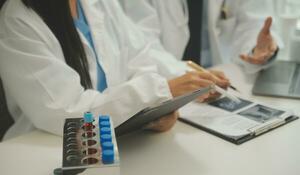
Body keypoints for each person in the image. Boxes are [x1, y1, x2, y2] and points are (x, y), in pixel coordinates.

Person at [0, 0, 229, 140]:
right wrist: (157, 92)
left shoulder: (98, 3)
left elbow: (140, 58)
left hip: (121, 143)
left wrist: (152, 114)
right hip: (48, 152)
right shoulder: (18, 20)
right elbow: (67, 113)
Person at [119, 0, 281, 73]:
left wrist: (257, 49)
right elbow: (142, 46)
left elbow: (254, 21)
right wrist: (184, 74)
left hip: (223, 78)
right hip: (167, 85)